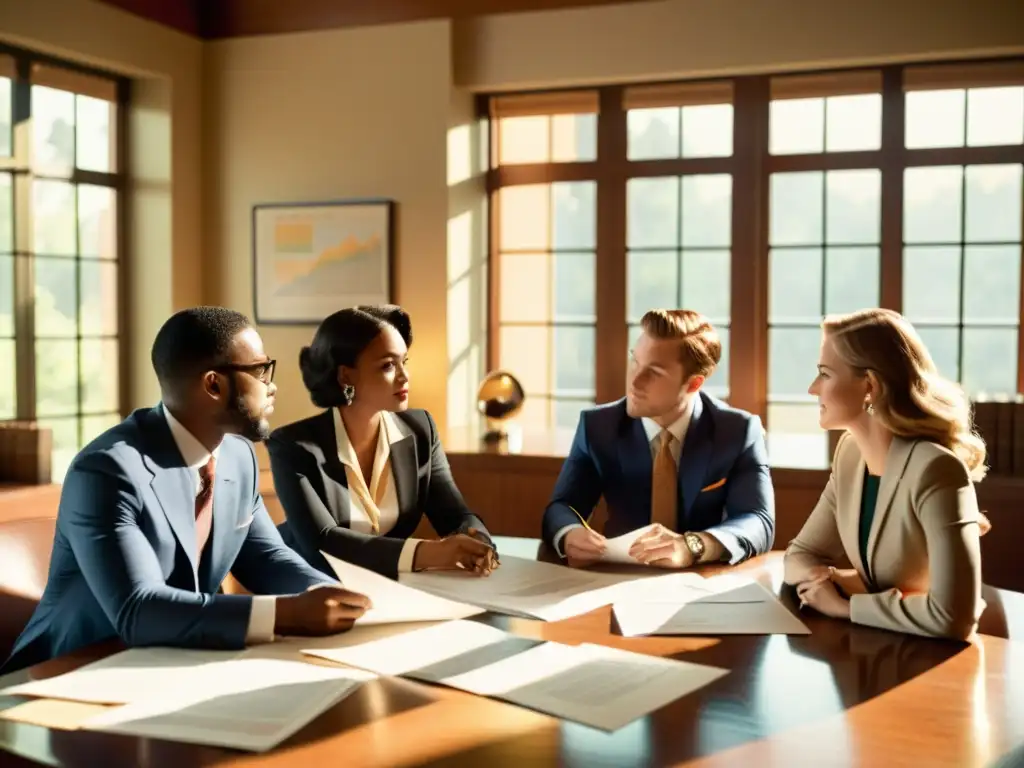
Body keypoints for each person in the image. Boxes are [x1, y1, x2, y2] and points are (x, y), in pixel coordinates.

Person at [1, 307, 371, 675]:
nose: (271, 385)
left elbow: (267, 559)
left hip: (177, 662)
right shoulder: (106, 471)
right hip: (69, 674)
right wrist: (287, 614)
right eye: (260, 370)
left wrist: (340, 598)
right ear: (213, 384)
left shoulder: (238, 455)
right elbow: (138, 609)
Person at [783, 308, 988, 640]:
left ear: (870, 386)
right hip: (876, 647)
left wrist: (844, 607)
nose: (812, 388)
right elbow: (799, 554)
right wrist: (827, 578)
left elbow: (955, 618)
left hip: (929, 667)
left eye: (825, 374)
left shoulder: (936, 469)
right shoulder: (850, 454)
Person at [267, 305, 498, 580]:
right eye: (388, 365)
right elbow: (323, 543)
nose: (404, 376)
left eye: (405, 362)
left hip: (389, 589)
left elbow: (454, 514)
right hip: (309, 588)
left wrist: (477, 539)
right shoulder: (292, 446)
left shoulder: (421, 429)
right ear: (345, 376)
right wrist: (430, 553)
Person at [541, 309, 775, 569]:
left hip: (702, 583)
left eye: (655, 372)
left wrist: (693, 546)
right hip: (617, 580)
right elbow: (561, 508)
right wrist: (569, 533)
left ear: (694, 384)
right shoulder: (598, 427)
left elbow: (758, 521)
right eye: (635, 362)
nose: (635, 381)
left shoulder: (738, 432)